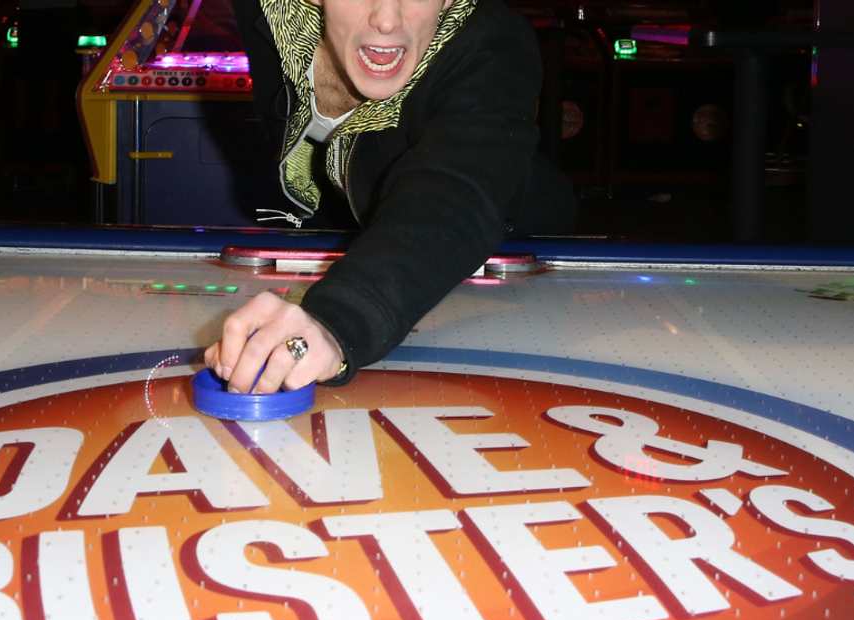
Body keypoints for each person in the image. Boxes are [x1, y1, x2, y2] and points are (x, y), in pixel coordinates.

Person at [204, 0, 576, 394]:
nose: (386, 20)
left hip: (513, 264)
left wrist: (334, 320)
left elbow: (453, 195)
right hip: (375, 254)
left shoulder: (491, 37)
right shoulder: (267, 11)